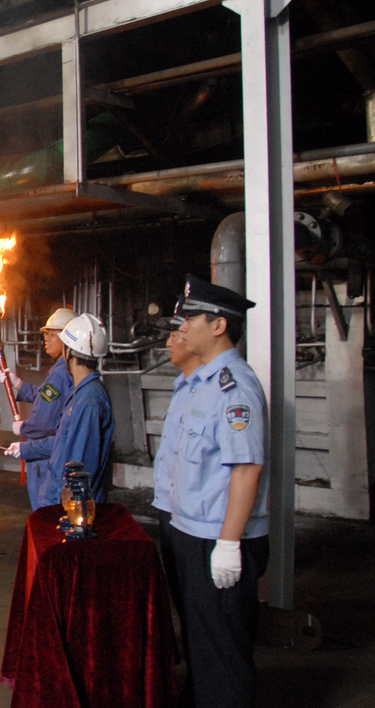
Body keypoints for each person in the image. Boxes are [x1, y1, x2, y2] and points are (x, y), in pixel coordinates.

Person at [164, 275, 268, 708]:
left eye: (191, 318)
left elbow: (247, 467)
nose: (182, 327)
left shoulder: (233, 387)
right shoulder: (201, 383)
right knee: (202, 641)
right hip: (191, 530)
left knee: (222, 650)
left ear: (219, 325)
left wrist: (228, 544)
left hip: (217, 538)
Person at [9, 313, 114, 506]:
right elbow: (62, 441)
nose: (47, 339)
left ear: (69, 351)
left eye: (53, 335)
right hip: (61, 496)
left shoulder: (88, 401)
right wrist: (26, 448)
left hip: (68, 503)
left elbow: (79, 464)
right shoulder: (81, 392)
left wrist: (63, 505)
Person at [149, 299, 202, 667]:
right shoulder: (184, 386)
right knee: (186, 608)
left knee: (206, 619)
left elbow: (243, 468)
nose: (168, 342)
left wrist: (229, 541)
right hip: (172, 512)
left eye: (176, 333)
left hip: (198, 524)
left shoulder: (220, 389)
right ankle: (195, 685)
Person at [1, 308, 77, 509]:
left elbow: (44, 422)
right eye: (46, 334)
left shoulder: (60, 374)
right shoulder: (62, 369)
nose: (46, 339)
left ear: (68, 339)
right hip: (51, 453)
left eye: (52, 334)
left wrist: (24, 427)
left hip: (46, 456)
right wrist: (18, 384)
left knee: (45, 509)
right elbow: (46, 398)